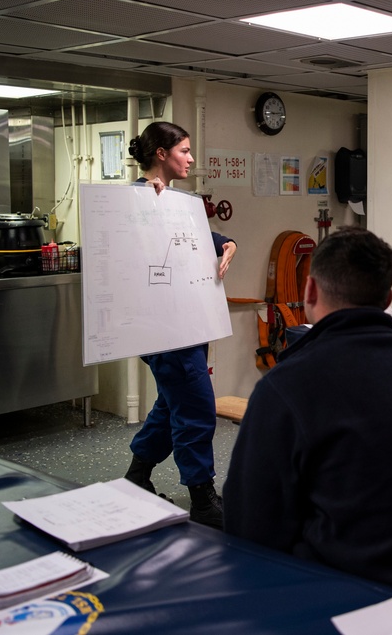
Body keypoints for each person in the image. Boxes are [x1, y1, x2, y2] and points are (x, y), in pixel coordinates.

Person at [224, 227, 392, 590]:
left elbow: (250, 526)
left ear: (310, 290)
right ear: (388, 298)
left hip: (341, 593)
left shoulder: (286, 388)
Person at [122, 121, 236, 529]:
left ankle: (136, 478)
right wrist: (148, 209)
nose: (190, 158)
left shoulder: (176, 200)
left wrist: (228, 245)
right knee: (196, 410)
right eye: (184, 151)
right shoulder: (137, 201)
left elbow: (206, 237)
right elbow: (125, 246)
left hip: (187, 324)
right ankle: (203, 501)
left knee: (171, 406)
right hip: (165, 329)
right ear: (161, 154)